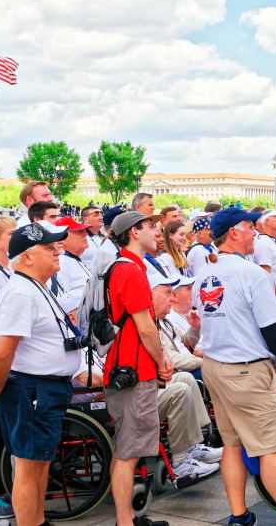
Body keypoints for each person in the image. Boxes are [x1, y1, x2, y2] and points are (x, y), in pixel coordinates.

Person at [192, 208, 276, 526]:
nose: (255, 232)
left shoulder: (204, 273)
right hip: (246, 369)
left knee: (233, 445)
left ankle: (239, 517)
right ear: (234, 232)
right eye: (251, 227)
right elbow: (273, 328)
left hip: (215, 366)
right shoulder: (252, 273)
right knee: (271, 448)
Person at [0, 221, 80, 526]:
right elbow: (2, 352)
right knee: (29, 466)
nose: (57, 252)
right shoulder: (20, 293)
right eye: (49, 247)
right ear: (26, 257)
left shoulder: (33, 287)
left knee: (39, 463)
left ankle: (38, 521)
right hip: (31, 390)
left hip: (41, 389)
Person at [100, 211, 173, 526]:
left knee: (127, 450)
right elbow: (145, 327)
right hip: (133, 370)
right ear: (133, 232)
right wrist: (161, 362)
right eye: (150, 226)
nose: (156, 231)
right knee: (128, 452)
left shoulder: (128, 267)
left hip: (129, 366)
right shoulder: (130, 270)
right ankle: (124, 522)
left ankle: (126, 519)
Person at [145, 272, 222, 478]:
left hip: (165, 377)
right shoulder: (148, 323)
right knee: (183, 386)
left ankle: (194, 446)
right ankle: (180, 461)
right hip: (147, 387)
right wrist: (208, 361)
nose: (173, 298)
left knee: (187, 379)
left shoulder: (163, 321)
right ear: (150, 296)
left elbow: (185, 343)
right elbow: (173, 359)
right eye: (168, 293)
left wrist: (195, 329)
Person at [52, 217, 93, 320]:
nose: (86, 233)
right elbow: (62, 302)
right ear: (63, 239)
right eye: (79, 231)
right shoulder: (61, 261)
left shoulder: (72, 259)